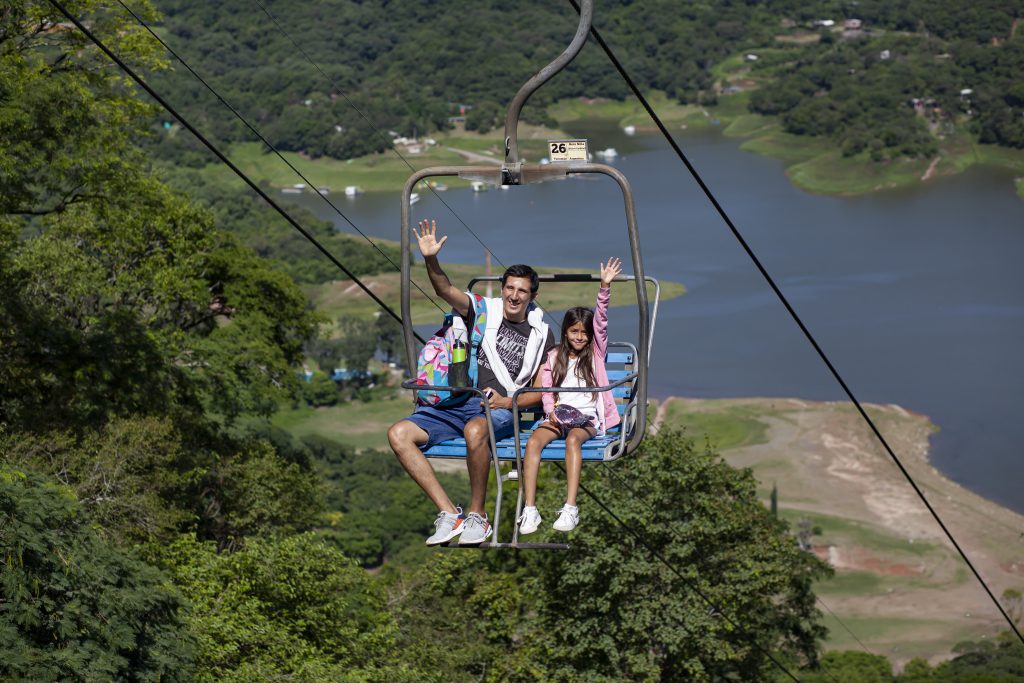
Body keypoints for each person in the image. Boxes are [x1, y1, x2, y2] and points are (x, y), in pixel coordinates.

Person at [388, 219, 556, 545]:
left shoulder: (542, 336)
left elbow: (542, 391)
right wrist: (430, 259)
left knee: (476, 430)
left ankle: (479, 515)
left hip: (498, 410)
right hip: (456, 401)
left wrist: (508, 402)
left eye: (522, 290)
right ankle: (450, 514)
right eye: (509, 288)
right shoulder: (481, 311)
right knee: (398, 434)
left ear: (532, 295)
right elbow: (444, 290)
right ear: (503, 288)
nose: (514, 295)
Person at [518, 257, 622, 534]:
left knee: (574, 440)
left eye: (584, 334)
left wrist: (604, 287)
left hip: (586, 418)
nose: (580, 337)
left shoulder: (595, 354)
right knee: (533, 442)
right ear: (565, 331)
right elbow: (548, 390)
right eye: (574, 332)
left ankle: (570, 507)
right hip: (559, 415)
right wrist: (550, 411)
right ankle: (529, 508)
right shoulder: (554, 356)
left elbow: (601, 322)